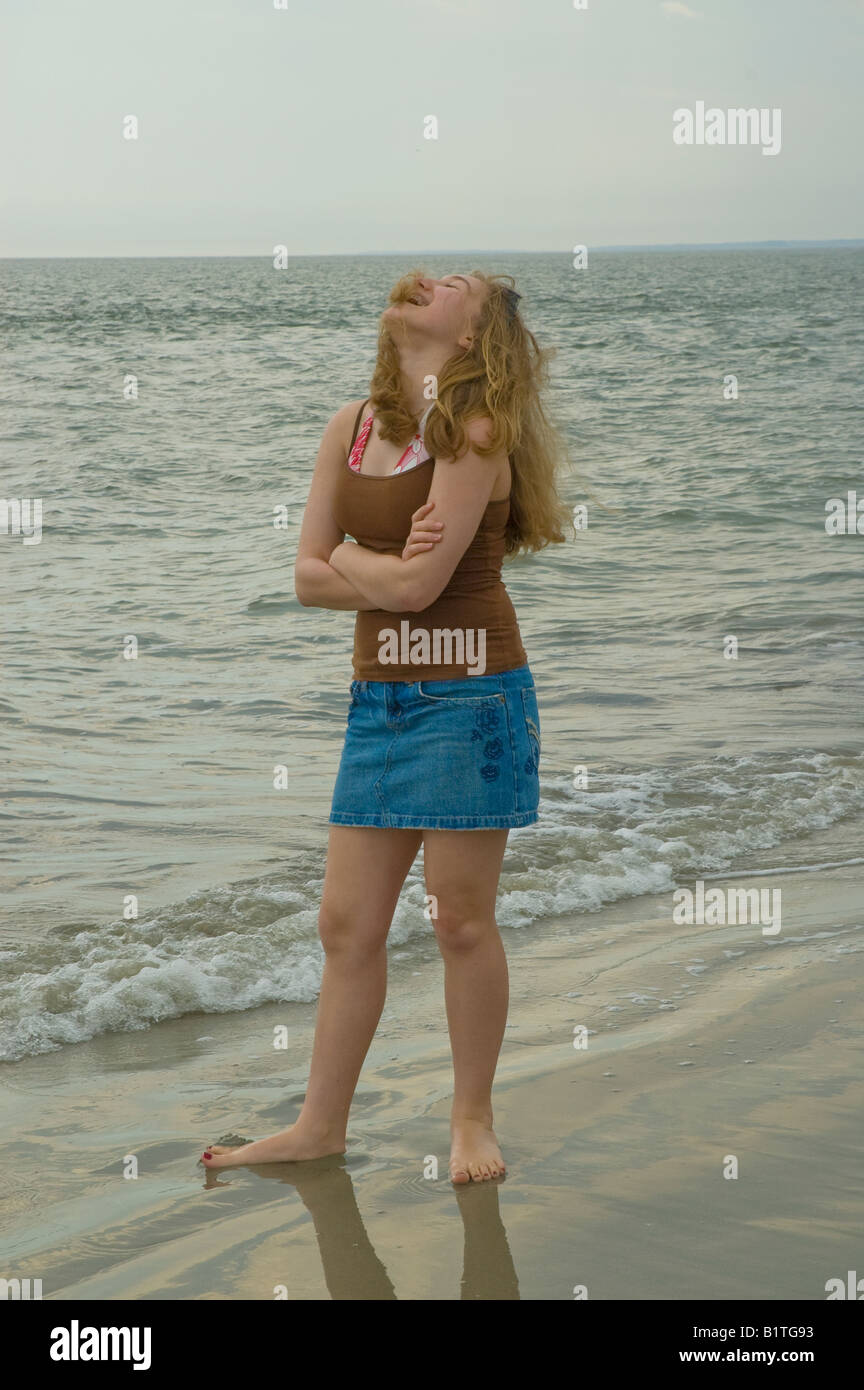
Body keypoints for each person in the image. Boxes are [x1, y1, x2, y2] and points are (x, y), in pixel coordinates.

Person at [202, 268, 569, 1182]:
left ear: (475, 338)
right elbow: (304, 578)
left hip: (470, 697)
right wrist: (374, 563)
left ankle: (472, 1121)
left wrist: (355, 561)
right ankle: (319, 1127)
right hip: (381, 701)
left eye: (457, 285)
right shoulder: (350, 427)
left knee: (460, 924)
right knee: (345, 925)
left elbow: (416, 588)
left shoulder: (476, 431)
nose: (428, 279)